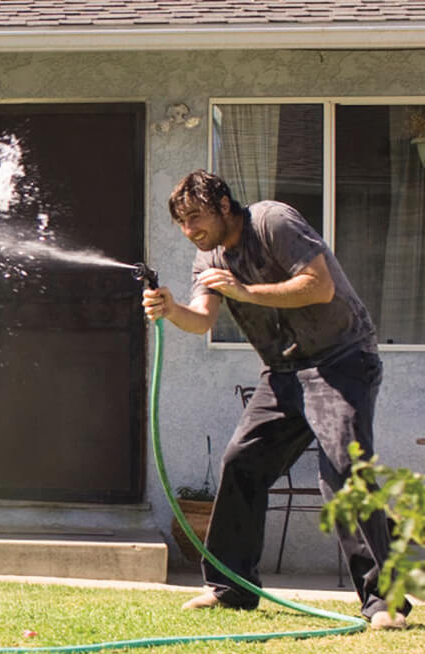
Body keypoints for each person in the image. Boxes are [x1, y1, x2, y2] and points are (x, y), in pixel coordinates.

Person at [142, 169, 411, 630]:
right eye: (181, 223)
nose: (190, 231)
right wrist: (171, 309)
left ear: (224, 205)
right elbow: (203, 319)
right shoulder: (208, 258)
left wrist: (247, 292)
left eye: (196, 218)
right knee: (242, 461)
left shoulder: (273, 222)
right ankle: (231, 586)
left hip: (341, 359)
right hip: (285, 371)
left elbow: (318, 285)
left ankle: (386, 602)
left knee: (344, 471)